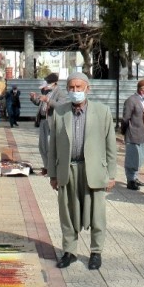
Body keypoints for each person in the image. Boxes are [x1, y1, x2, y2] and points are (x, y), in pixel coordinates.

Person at [48, 72, 116, 271]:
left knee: (97, 214)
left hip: (93, 170)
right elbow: (53, 147)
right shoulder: (59, 112)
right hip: (67, 170)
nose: (75, 91)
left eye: (79, 87)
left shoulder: (102, 111)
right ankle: (69, 251)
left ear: (88, 88)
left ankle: (96, 252)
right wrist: (52, 174)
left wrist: (111, 175)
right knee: (67, 213)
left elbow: (110, 145)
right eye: (71, 87)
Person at [30, 73, 67, 175]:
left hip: (52, 121)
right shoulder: (45, 90)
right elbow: (39, 102)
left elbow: (61, 106)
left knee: (50, 146)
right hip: (42, 121)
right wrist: (34, 98)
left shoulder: (60, 93)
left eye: (49, 82)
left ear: (54, 83)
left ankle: (52, 169)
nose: (47, 84)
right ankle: (46, 166)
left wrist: (48, 100)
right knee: (42, 146)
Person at [122, 79, 144, 190]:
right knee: (132, 158)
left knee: (141, 158)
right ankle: (130, 180)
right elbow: (125, 118)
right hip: (132, 133)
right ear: (141, 89)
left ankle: (135, 177)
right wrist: (125, 131)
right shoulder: (131, 100)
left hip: (143, 135)